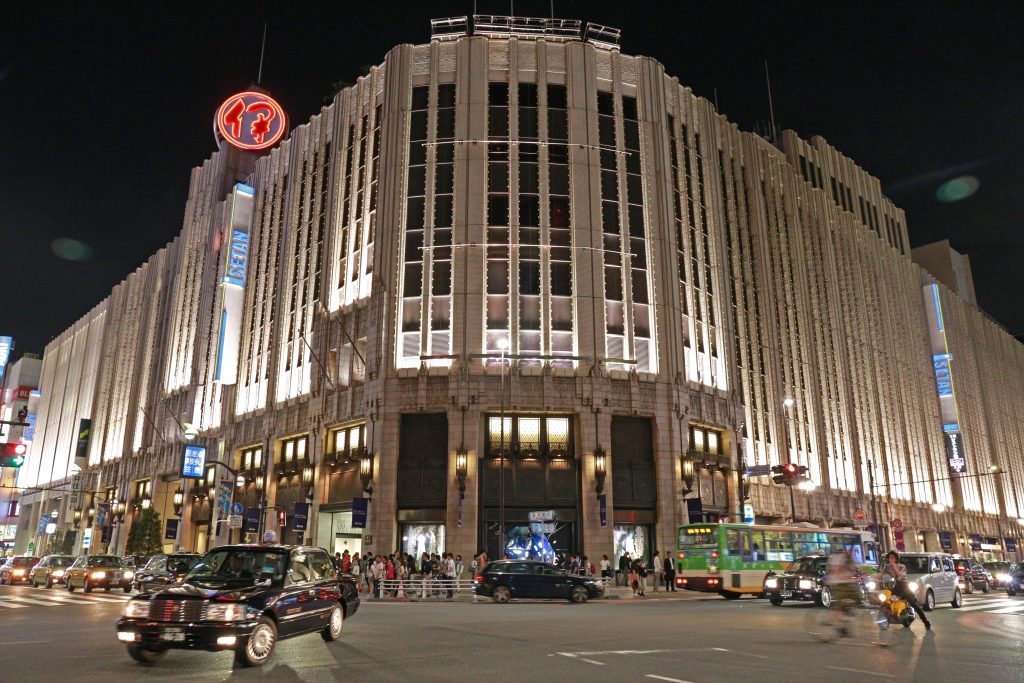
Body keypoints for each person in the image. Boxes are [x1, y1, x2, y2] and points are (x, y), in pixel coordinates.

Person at [880, 550, 931, 631]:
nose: (891, 559)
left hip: (903, 587)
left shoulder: (902, 566)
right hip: (893, 587)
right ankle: (888, 612)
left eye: (892, 557)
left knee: (914, 604)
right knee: (884, 597)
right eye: (889, 557)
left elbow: (900, 576)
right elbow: (880, 575)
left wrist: (894, 567)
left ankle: (925, 621)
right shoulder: (887, 566)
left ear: (896, 559)